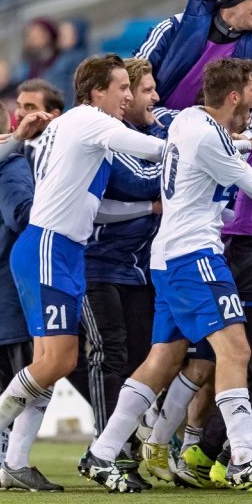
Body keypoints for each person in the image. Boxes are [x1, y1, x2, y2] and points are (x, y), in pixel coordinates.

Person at [83, 58, 252, 493]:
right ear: (233, 97)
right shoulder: (209, 136)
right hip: (195, 256)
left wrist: (243, 144)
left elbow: (218, 149)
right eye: (249, 93)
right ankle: (244, 459)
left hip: (168, 255)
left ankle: (102, 452)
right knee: (236, 350)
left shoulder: (189, 121)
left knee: (164, 359)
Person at [0, 53, 165, 491]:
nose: (127, 96)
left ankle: (16, 461)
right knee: (60, 359)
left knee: (50, 363)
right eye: (122, 87)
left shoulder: (78, 127)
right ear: (97, 91)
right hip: (49, 247)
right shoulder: (90, 122)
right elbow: (153, 149)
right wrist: (214, 141)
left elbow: (98, 208)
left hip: (60, 248)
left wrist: (148, 206)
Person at [66, 58, 168, 442]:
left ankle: (128, 439)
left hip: (138, 268)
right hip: (98, 264)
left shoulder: (140, 132)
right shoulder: (106, 135)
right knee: (109, 354)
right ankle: (110, 445)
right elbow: (138, 182)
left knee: (140, 358)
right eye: (140, 90)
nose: (151, 97)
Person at [0, 99, 38, 487]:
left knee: (7, 383)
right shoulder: (9, 164)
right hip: (6, 291)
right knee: (31, 380)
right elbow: (22, 215)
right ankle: (7, 461)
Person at [134, 0, 252, 128]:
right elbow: (134, 77)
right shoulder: (175, 28)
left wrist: (245, 138)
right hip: (152, 126)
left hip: (217, 140)